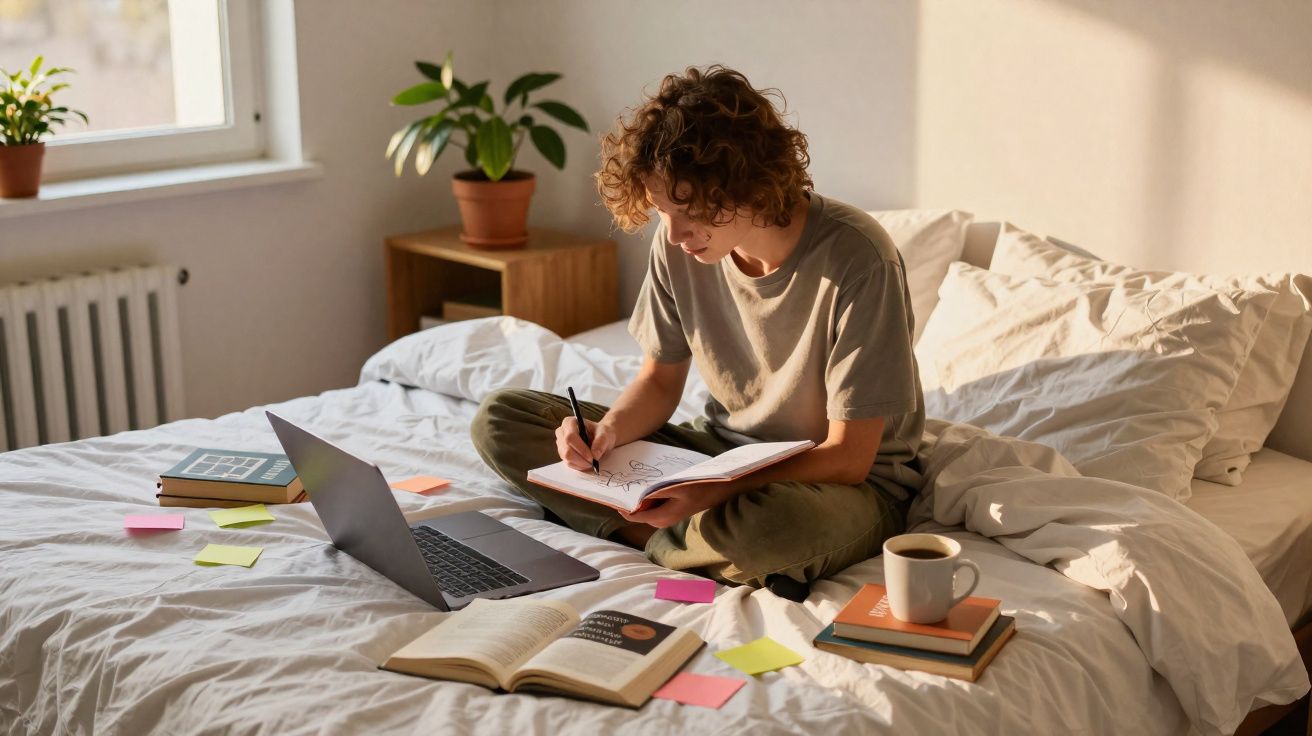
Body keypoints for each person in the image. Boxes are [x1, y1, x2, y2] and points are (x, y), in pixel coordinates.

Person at [471, 65, 924, 601]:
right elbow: (660, 381)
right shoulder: (679, 248)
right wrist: (607, 433)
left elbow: (849, 456)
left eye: (689, 210)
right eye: (662, 211)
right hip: (719, 452)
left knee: (774, 529)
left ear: (748, 182)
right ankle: (677, 538)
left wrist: (715, 491)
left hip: (842, 482)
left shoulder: (859, 258)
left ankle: (642, 528)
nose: (674, 235)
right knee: (501, 419)